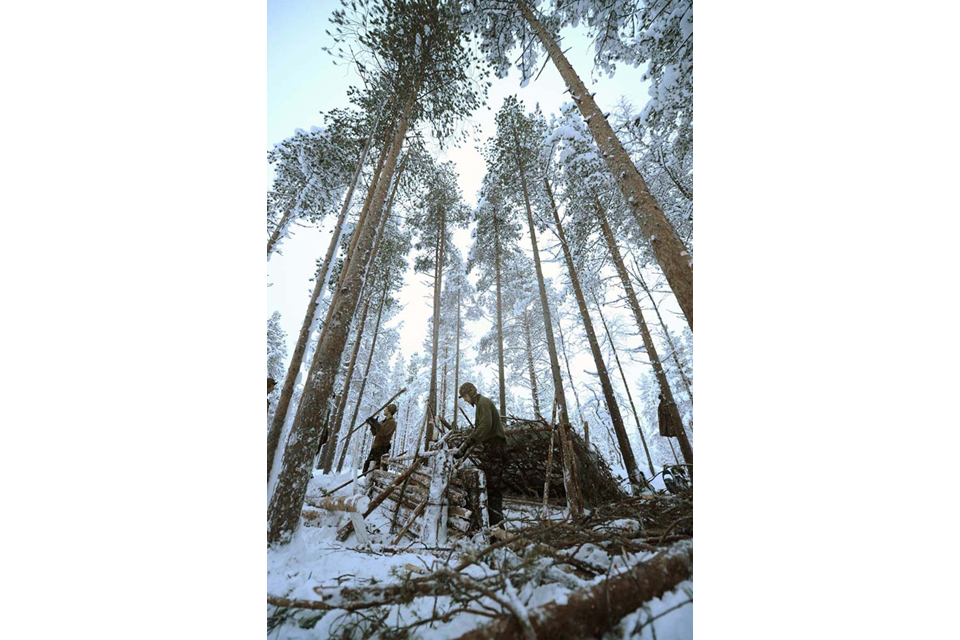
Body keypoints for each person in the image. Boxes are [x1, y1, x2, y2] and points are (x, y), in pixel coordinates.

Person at [454, 382, 507, 528]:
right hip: (491, 446)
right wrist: (465, 445)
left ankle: (497, 527)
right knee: (489, 485)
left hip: (495, 446)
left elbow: (485, 426)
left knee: (493, 487)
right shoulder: (481, 405)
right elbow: (480, 429)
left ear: (470, 393)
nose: (464, 400)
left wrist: (468, 442)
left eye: (464, 396)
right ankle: (492, 523)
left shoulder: (483, 403)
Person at [363, 403, 398, 473]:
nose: (384, 410)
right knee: (367, 467)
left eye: (386, 409)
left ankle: (378, 483)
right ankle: (368, 482)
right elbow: (375, 433)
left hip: (382, 448)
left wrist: (376, 424)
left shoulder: (392, 422)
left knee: (379, 468)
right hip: (375, 447)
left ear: (389, 411)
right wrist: (372, 424)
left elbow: (383, 432)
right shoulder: (383, 422)